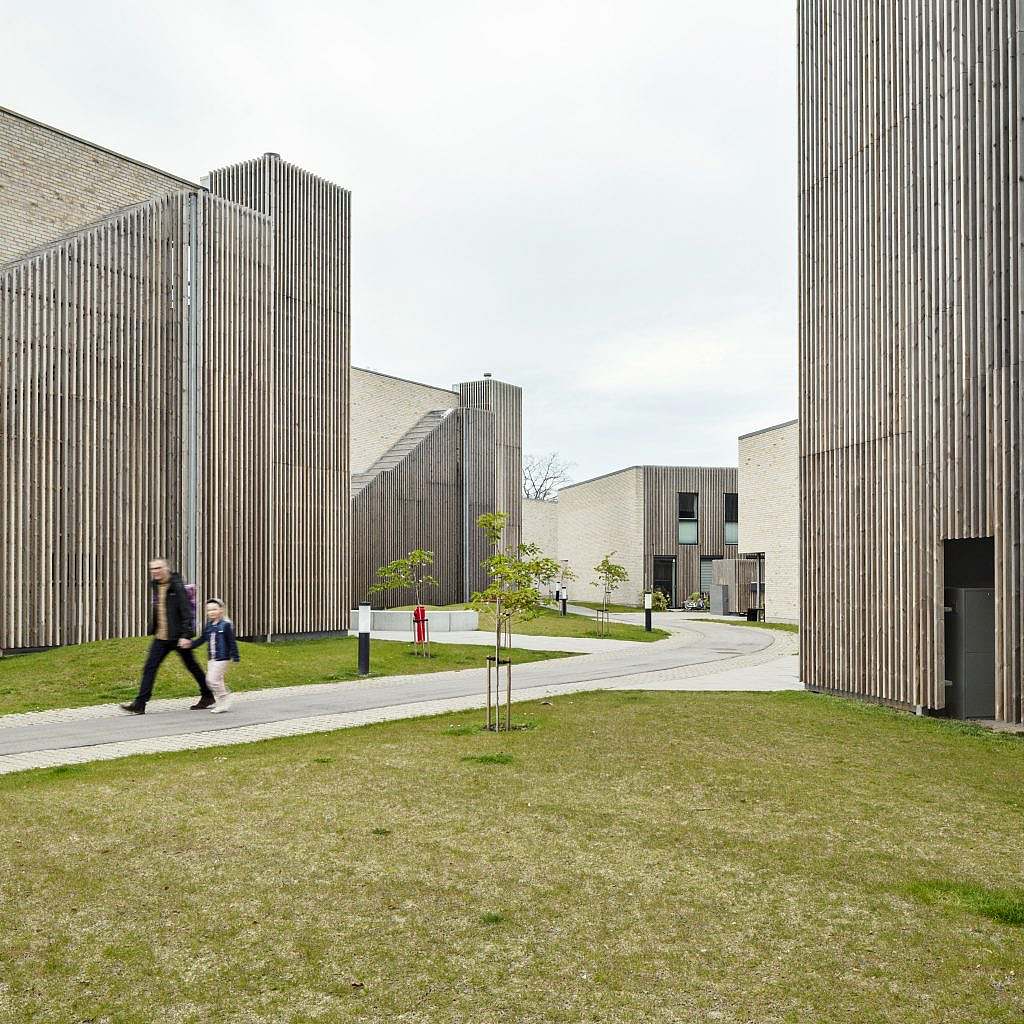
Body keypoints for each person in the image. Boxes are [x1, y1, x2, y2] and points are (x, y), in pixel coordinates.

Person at [120, 559, 215, 715]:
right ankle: (140, 703)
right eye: (153, 569)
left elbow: (186, 612)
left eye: (159, 568)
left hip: (178, 637)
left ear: (166, 568)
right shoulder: (156, 585)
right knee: (150, 667)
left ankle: (208, 694)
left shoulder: (177, 586)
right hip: (161, 637)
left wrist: (186, 635)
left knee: (192, 666)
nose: (155, 571)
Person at [184, 599, 240, 713]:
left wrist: (235, 656)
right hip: (212, 658)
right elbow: (202, 639)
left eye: (214, 609)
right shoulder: (209, 625)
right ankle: (223, 702)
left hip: (222, 658)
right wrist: (190, 645)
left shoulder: (225, 625)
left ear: (221, 610)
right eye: (209, 610)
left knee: (211, 680)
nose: (211, 612)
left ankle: (224, 697)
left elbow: (231, 641)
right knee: (217, 680)